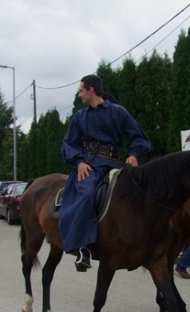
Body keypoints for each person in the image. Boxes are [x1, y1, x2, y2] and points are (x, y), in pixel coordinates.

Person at [59, 74, 151, 272]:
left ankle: (137, 245)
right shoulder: (79, 117)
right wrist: (79, 162)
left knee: (136, 195)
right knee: (85, 194)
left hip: (113, 166)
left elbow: (139, 138)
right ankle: (83, 249)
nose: (79, 95)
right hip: (89, 167)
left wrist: (133, 154)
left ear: (91, 90)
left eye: (81, 91)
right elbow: (68, 143)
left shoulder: (118, 112)